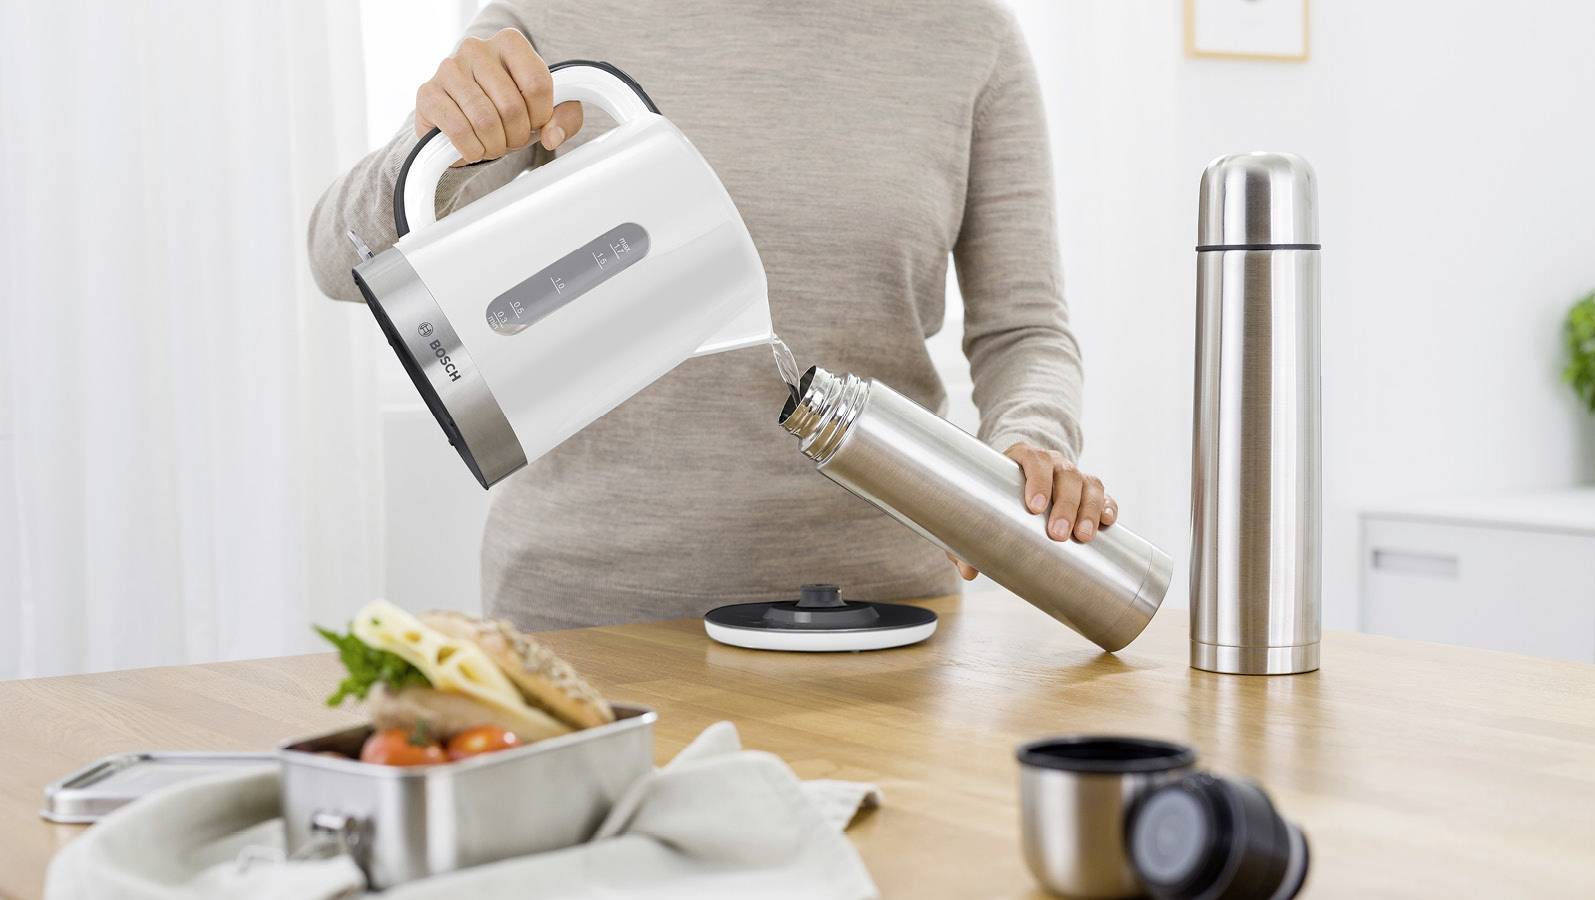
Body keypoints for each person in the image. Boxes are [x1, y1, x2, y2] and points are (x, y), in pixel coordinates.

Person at [307, 1, 1118, 630]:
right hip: (585, 626)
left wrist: (1032, 440)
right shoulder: (555, 15)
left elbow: (1025, 331)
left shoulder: (966, 32)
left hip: (879, 626)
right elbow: (334, 260)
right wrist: (431, 145)